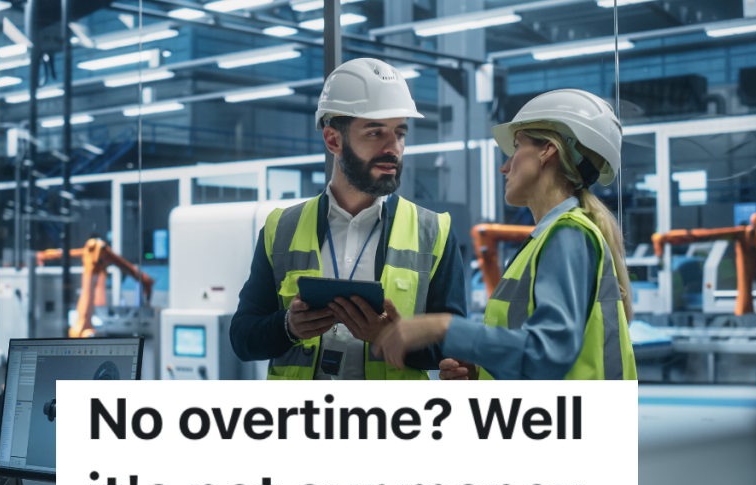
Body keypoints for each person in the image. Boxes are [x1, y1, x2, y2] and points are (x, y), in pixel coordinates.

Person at [373, 89, 637, 380]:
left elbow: (547, 354)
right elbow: (539, 363)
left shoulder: (568, 234)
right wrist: (483, 373)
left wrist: (442, 327)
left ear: (547, 150)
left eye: (516, 147)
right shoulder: (549, 239)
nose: (504, 166)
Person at [230, 58, 467, 380]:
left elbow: (455, 347)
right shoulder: (280, 228)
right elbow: (242, 339)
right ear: (333, 140)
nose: (393, 148)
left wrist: (393, 336)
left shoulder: (434, 232)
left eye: (399, 133)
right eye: (375, 133)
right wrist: (287, 326)